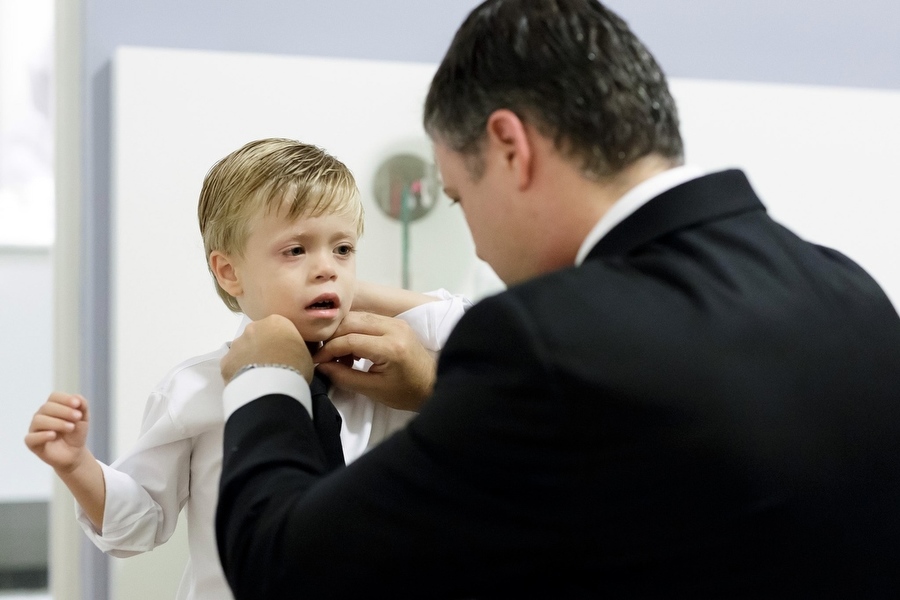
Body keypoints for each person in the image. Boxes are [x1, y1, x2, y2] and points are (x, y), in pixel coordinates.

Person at [215, 1, 900, 598]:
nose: (478, 245)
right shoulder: (851, 293)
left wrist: (269, 376)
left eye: (458, 196)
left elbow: (287, 570)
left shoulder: (545, 341)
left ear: (510, 147)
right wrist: (438, 385)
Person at [23, 138, 471, 600]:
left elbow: (484, 332)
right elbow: (140, 524)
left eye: (343, 249)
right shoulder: (194, 388)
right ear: (229, 272)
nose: (326, 269)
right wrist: (77, 466)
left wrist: (372, 299)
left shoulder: (387, 376)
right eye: (295, 250)